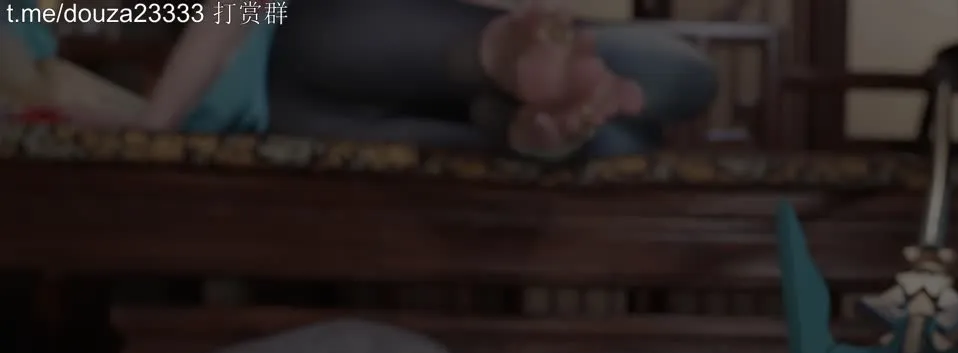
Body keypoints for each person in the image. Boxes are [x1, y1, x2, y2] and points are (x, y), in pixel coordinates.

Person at [17, 0, 720, 159]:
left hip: (295, 33)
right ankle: (526, 120)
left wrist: (151, 124)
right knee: (623, 143)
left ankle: (504, 64)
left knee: (679, 78)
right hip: (275, 117)